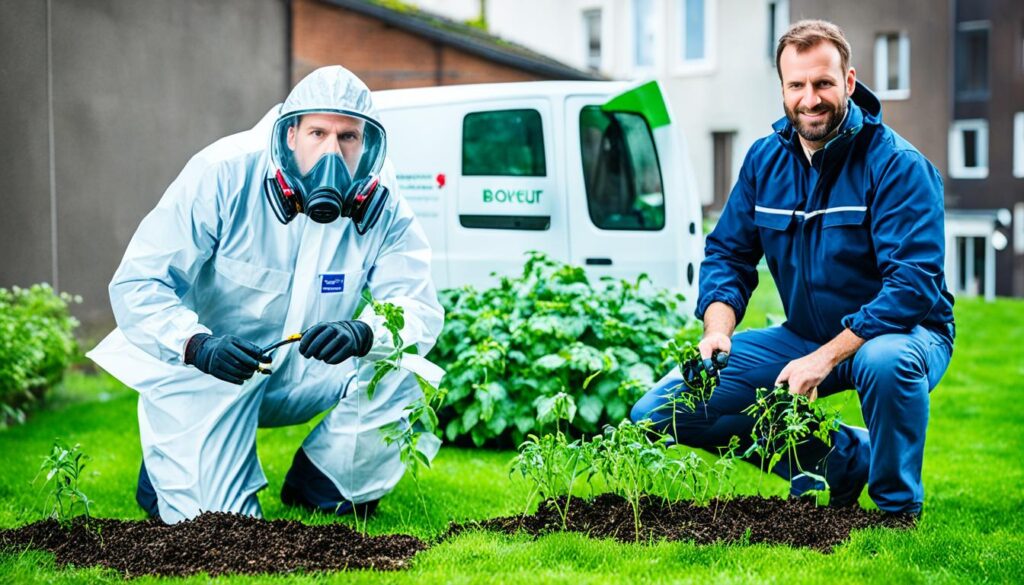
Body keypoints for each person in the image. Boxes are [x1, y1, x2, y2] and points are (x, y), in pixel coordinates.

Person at [88, 66, 444, 524]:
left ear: (368, 144)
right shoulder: (224, 173)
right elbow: (140, 283)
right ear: (290, 134)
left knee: (408, 366)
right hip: (214, 371)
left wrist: (363, 332)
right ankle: (173, 463)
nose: (332, 152)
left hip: (311, 370)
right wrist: (195, 344)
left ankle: (328, 482)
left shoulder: (383, 200)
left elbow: (416, 305)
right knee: (221, 525)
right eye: (318, 132)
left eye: (348, 137)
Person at [631, 20, 955, 516]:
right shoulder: (765, 160)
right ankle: (844, 459)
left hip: (903, 333)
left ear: (848, 81)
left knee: (884, 363)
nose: (810, 98)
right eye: (796, 85)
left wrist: (824, 358)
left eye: (823, 83)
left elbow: (912, 287)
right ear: (781, 88)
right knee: (659, 410)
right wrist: (718, 328)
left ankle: (895, 510)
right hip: (805, 333)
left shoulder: (897, 166)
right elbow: (728, 253)